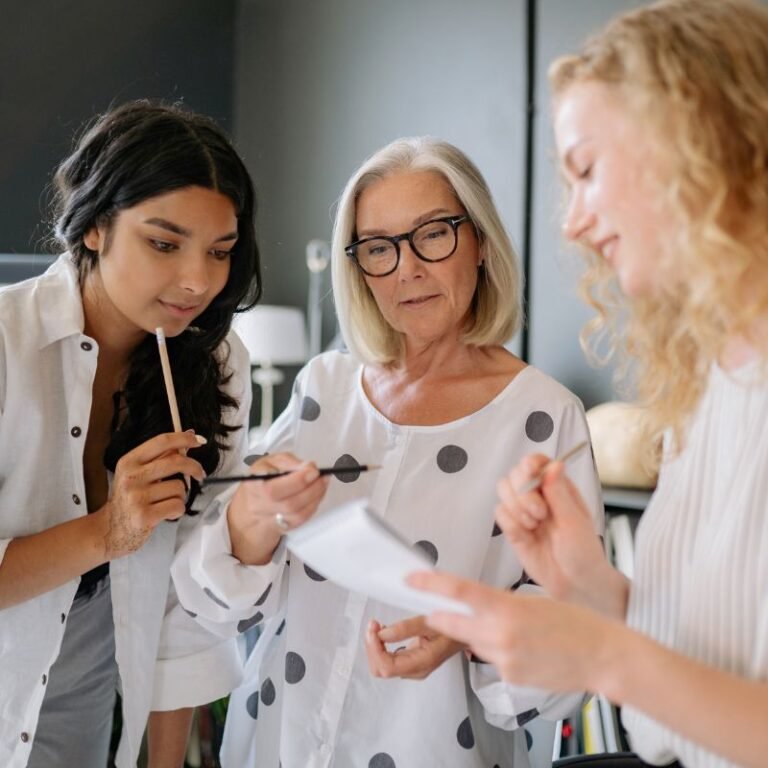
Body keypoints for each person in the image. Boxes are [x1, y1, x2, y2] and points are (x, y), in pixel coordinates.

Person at [410, 2, 768, 767]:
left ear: (695, 144)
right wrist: (592, 589)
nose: (571, 224)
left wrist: (602, 653)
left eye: (586, 170)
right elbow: (716, 659)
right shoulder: (707, 385)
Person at [171, 136, 604, 767]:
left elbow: (567, 661)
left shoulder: (545, 419)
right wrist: (249, 520)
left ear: (479, 241)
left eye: (433, 234)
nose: (407, 268)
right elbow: (211, 605)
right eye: (379, 247)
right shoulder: (324, 387)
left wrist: (467, 628)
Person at [0, 99, 262, 768]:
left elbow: (184, 600)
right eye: (164, 243)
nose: (198, 281)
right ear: (95, 227)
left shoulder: (217, 366)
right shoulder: (5, 343)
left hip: (80, 728)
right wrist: (109, 530)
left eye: (221, 251)